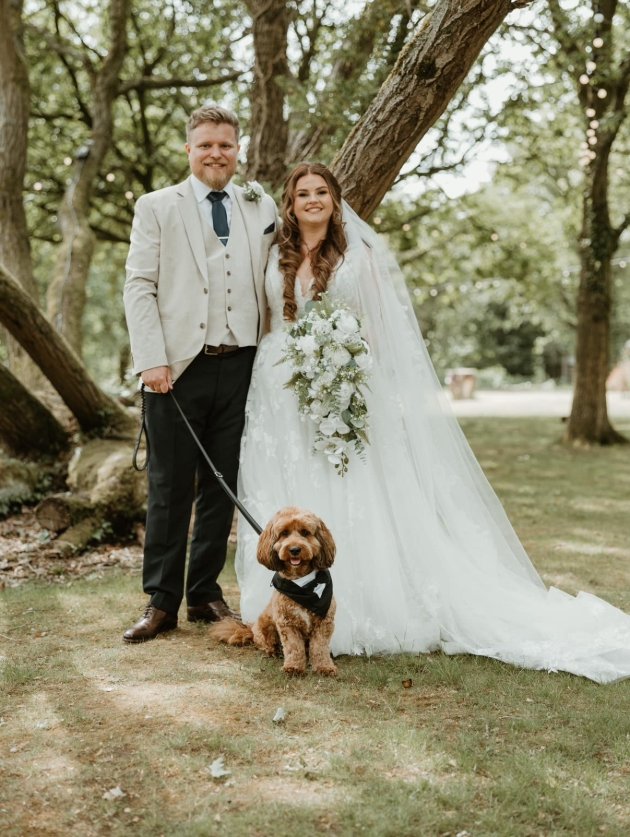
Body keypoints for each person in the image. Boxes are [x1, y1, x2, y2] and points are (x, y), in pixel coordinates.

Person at [236, 162, 630, 683]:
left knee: (351, 485)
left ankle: (356, 608)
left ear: (335, 199)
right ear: (289, 203)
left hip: (343, 384)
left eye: (322, 192)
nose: (312, 200)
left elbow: (378, 328)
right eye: (303, 193)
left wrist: (347, 375)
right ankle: (285, 609)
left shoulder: (360, 254)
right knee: (288, 485)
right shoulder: (274, 253)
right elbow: (264, 320)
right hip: (279, 393)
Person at [122, 104, 277, 642]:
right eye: (206, 144)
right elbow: (139, 284)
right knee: (168, 487)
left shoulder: (260, 206)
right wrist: (151, 359)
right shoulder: (156, 206)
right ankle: (160, 601)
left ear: (239, 150)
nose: (216, 153)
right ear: (188, 149)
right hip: (177, 368)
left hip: (242, 367)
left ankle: (204, 594)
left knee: (222, 484)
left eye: (226, 145)